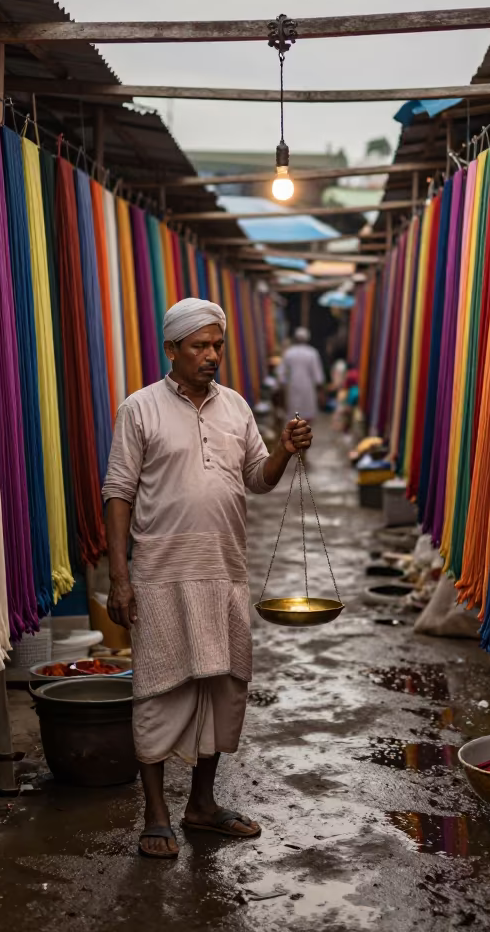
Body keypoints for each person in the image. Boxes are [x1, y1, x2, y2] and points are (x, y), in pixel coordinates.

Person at [102, 297, 313, 859]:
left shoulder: (237, 408)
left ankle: (202, 804)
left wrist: (285, 453)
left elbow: (257, 479)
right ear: (171, 350)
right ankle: (156, 814)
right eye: (199, 346)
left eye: (217, 345)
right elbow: (118, 493)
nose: (211, 356)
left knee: (222, 688)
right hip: (161, 574)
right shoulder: (139, 409)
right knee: (157, 689)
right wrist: (119, 578)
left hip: (224, 571)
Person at [278, 326, 325, 421]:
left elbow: (281, 372)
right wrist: (320, 389)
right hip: (308, 386)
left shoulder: (289, 352)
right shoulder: (312, 353)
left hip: (293, 385)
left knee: (294, 411)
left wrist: (282, 385)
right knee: (307, 412)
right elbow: (318, 375)